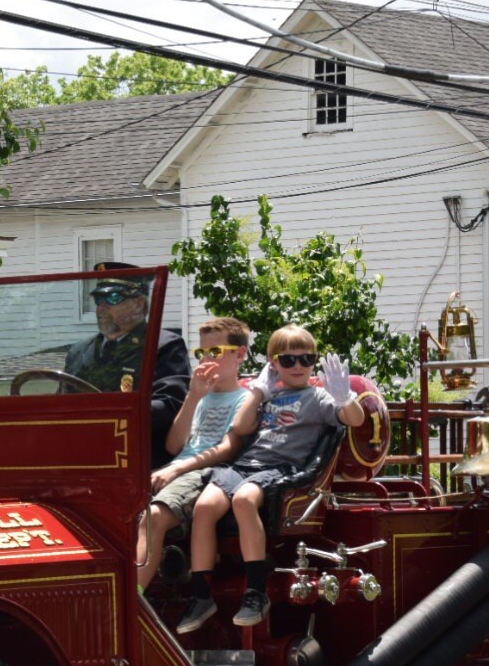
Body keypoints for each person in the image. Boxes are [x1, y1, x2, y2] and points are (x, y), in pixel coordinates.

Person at [177, 325, 365, 633]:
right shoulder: (267, 394)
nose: (298, 367)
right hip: (246, 465)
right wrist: (259, 391)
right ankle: (201, 595)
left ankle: (256, 591)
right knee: (203, 507)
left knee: (243, 499)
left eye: (306, 359)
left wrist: (345, 399)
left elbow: (353, 420)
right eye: (288, 360)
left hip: (282, 469)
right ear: (272, 363)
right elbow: (240, 427)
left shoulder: (318, 397)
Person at [137, 317, 258, 591]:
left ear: (239, 354)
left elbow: (228, 448)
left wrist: (176, 469)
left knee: (154, 517)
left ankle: (132, 603)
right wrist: (192, 397)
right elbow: (174, 445)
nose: (206, 359)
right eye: (200, 353)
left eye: (214, 352)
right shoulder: (200, 397)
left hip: (208, 474)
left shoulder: (246, 399)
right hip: (179, 468)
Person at [62, 262, 190, 467]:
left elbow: (170, 405)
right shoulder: (79, 351)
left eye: (113, 298)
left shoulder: (162, 345)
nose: (101, 308)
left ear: (139, 304)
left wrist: (109, 415)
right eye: (98, 299)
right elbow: (61, 402)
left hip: (135, 458)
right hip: (81, 456)